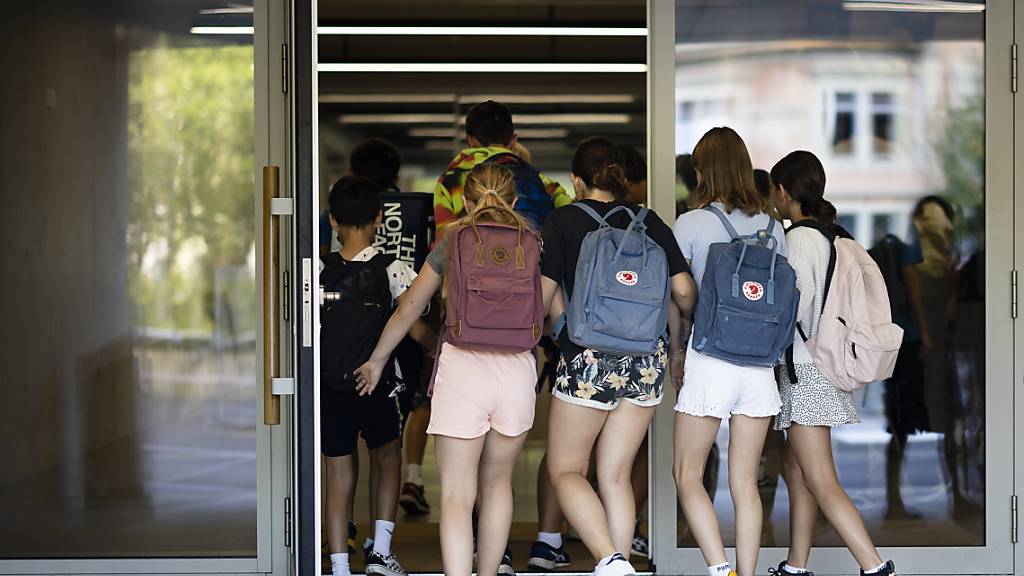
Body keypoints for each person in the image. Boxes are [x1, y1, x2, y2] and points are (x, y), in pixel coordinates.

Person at [356, 163, 541, 576]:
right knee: (497, 486)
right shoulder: (532, 243)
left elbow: (409, 308)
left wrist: (377, 359)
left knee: (458, 494)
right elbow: (546, 311)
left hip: (463, 371)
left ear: (463, 200)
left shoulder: (453, 240)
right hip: (515, 373)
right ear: (513, 201)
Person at [542, 136, 697, 576]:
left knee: (568, 470)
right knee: (616, 474)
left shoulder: (562, 222)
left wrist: (554, 331)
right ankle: (621, 563)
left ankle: (609, 559)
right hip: (645, 362)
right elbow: (684, 290)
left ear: (576, 181)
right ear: (620, 177)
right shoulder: (650, 222)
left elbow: (542, 296)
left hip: (588, 361)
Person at [768, 150, 896, 576]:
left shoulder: (799, 239)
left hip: (806, 371)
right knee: (799, 470)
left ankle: (874, 567)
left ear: (783, 192)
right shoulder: (835, 235)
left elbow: (795, 306)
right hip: (822, 368)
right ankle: (796, 565)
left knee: (820, 478)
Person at [671, 127, 787, 576]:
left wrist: (677, 349)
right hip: (759, 366)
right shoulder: (774, 226)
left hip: (710, 359)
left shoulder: (692, 223)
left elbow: (681, 295)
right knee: (746, 483)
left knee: (687, 474)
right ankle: (748, 573)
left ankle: (721, 570)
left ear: (702, 171)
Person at [322, 175, 427, 576]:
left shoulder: (318, 269)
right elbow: (414, 327)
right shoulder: (394, 269)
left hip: (333, 389)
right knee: (388, 459)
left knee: (338, 474)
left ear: (333, 220)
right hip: (379, 386)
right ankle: (380, 552)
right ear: (380, 218)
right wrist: (439, 347)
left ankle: (338, 564)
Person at [433, 100, 572, 232]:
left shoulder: (450, 181)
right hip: (529, 255)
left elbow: (443, 240)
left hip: (472, 255)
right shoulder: (542, 181)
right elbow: (570, 217)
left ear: (470, 140)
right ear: (513, 140)